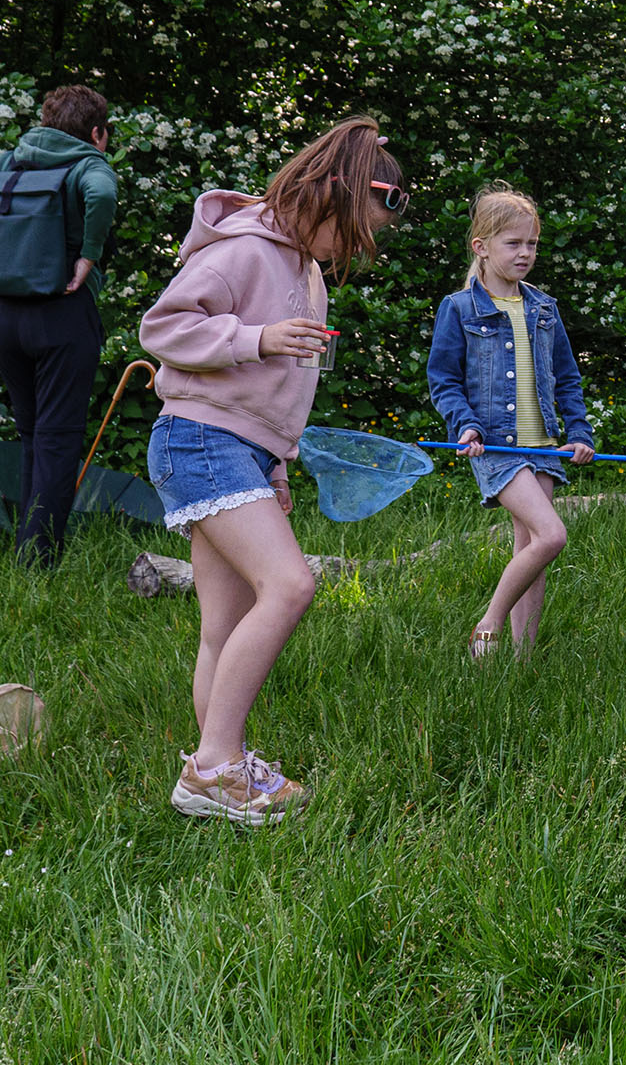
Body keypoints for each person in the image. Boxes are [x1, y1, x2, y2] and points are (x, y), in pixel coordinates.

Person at [139, 115, 407, 823]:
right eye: (350, 232)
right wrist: (254, 337)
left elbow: (271, 397)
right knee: (290, 586)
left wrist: (277, 465)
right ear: (329, 196)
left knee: (223, 626)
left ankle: (219, 765)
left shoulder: (305, 270)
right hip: (197, 439)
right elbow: (162, 327)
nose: (352, 249)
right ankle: (214, 768)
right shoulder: (244, 252)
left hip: (236, 449)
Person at [427, 184, 595, 660]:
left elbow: (567, 379)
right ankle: (489, 625)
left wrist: (579, 433)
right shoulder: (459, 309)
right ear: (481, 247)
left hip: (542, 444)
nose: (526, 253)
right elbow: (443, 380)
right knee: (551, 535)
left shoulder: (544, 307)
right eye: (513, 244)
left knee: (531, 550)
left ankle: (520, 662)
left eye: (532, 244)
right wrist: (465, 426)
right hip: (497, 448)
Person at [0, 84, 118, 568]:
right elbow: (103, 192)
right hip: (63, 314)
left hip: (6, 316)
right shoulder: (88, 163)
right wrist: (88, 256)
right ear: (96, 132)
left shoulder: (11, 160)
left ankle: (26, 545)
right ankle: (38, 560)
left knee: (31, 432)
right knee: (59, 436)